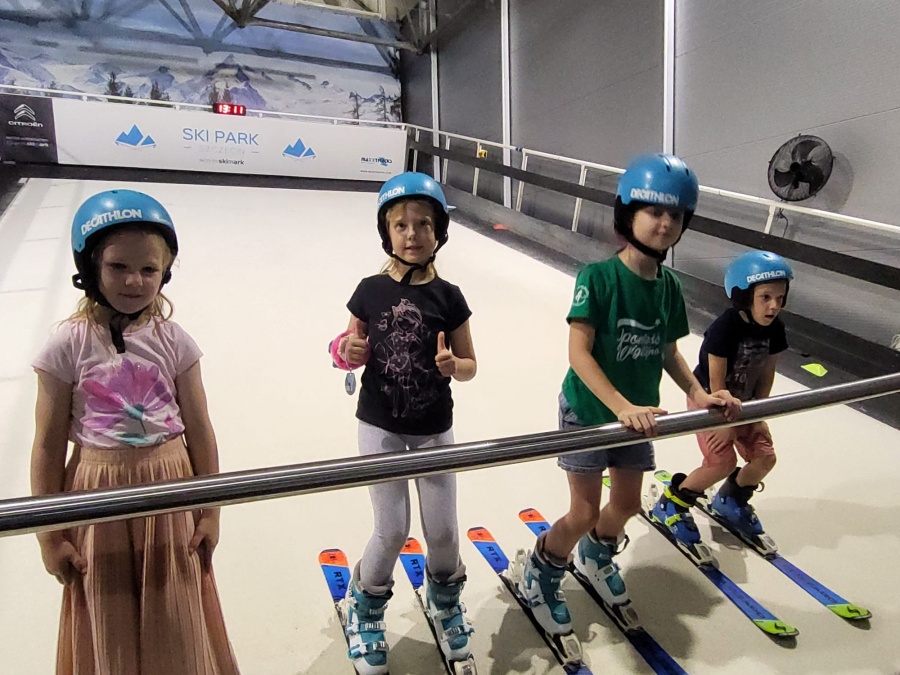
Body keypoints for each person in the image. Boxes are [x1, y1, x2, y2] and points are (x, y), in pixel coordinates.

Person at [517, 154, 741, 639]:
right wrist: (620, 406)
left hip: (639, 416)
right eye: (653, 211)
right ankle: (542, 568)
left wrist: (698, 393)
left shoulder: (669, 287)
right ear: (628, 214)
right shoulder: (597, 278)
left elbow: (667, 350)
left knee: (626, 506)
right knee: (584, 512)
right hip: (591, 412)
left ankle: (596, 555)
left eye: (675, 214)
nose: (665, 223)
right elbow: (578, 353)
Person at [30, 189, 240, 675]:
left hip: (170, 487)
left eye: (149, 269)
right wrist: (49, 536)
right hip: (96, 491)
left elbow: (201, 431)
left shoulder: (175, 341)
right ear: (90, 268)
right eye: (118, 267)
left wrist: (211, 512)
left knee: (177, 611)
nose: (134, 280)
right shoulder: (66, 346)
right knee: (108, 610)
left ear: (165, 273)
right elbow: (46, 446)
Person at [330, 172, 476, 674]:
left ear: (439, 233)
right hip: (380, 425)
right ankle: (366, 605)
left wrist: (455, 366)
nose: (412, 234)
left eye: (423, 225)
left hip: (434, 426)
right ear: (386, 232)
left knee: (444, 533)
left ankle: (446, 601)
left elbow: (471, 364)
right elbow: (346, 347)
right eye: (401, 225)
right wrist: (345, 350)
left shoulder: (450, 296)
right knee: (392, 529)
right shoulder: (369, 291)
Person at [651, 250, 793, 549]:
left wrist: (758, 416)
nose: (774, 306)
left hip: (746, 404)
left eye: (780, 298)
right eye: (765, 297)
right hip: (710, 401)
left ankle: (731, 499)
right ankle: (672, 503)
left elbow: (767, 373)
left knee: (765, 458)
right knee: (722, 462)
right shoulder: (724, 328)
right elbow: (717, 385)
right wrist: (724, 424)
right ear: (743, 296)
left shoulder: (776, 328)